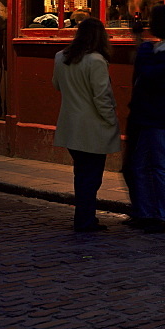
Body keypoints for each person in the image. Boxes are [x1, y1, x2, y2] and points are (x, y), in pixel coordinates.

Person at [51, 17, 121, 232]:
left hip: (70, 126)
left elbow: (56, 85)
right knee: (92, 177)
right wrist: (112, 121)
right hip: (92, 128)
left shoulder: (61, 57)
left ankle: (83, 217)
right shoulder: (96, 61)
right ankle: (85, 219)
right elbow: (102, 97)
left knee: (82, 174)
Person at [124, 3, 165, 233]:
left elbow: (149, 75)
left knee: (157, 164)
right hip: (152, 116)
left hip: (156, 116)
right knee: (144, 164)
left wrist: (142, 48)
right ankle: (151, 212)